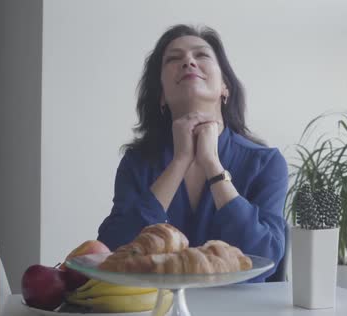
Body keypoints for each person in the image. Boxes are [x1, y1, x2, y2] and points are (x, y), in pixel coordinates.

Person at [97, 24, 287, 282]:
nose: (188, 61)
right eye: (174, 59)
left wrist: (212, 165)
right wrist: (180, 161)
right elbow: (113, 250)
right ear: (161, 95)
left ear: (225, 87)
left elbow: (266, 257)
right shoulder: (137, 163)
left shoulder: (266, 163)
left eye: (202, 55)